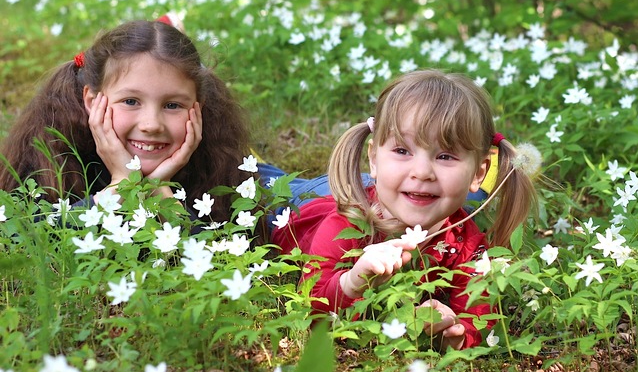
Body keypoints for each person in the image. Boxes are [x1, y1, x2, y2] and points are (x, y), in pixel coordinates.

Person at [272, 69, 540, 350]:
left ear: (479, 172)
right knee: (263, 181)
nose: (422, 171)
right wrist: (353, 281)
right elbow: (312, 311)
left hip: (397, 189)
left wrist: (455, 332)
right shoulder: (344, 223)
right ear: (373, 157)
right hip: (303, 205)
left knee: (455, 197)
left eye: (445, 155)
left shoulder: (466, 245)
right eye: (402, 150)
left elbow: (477, 322)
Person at [0, 18, 254, 230]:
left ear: (199, 106)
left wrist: (159, 192)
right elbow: (25, 242)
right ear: (91, 100)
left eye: (172, 105)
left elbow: (220, 258)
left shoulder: (218, 160)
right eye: (131, 101)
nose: (151, 124)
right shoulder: (52, 156)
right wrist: (122, 184)